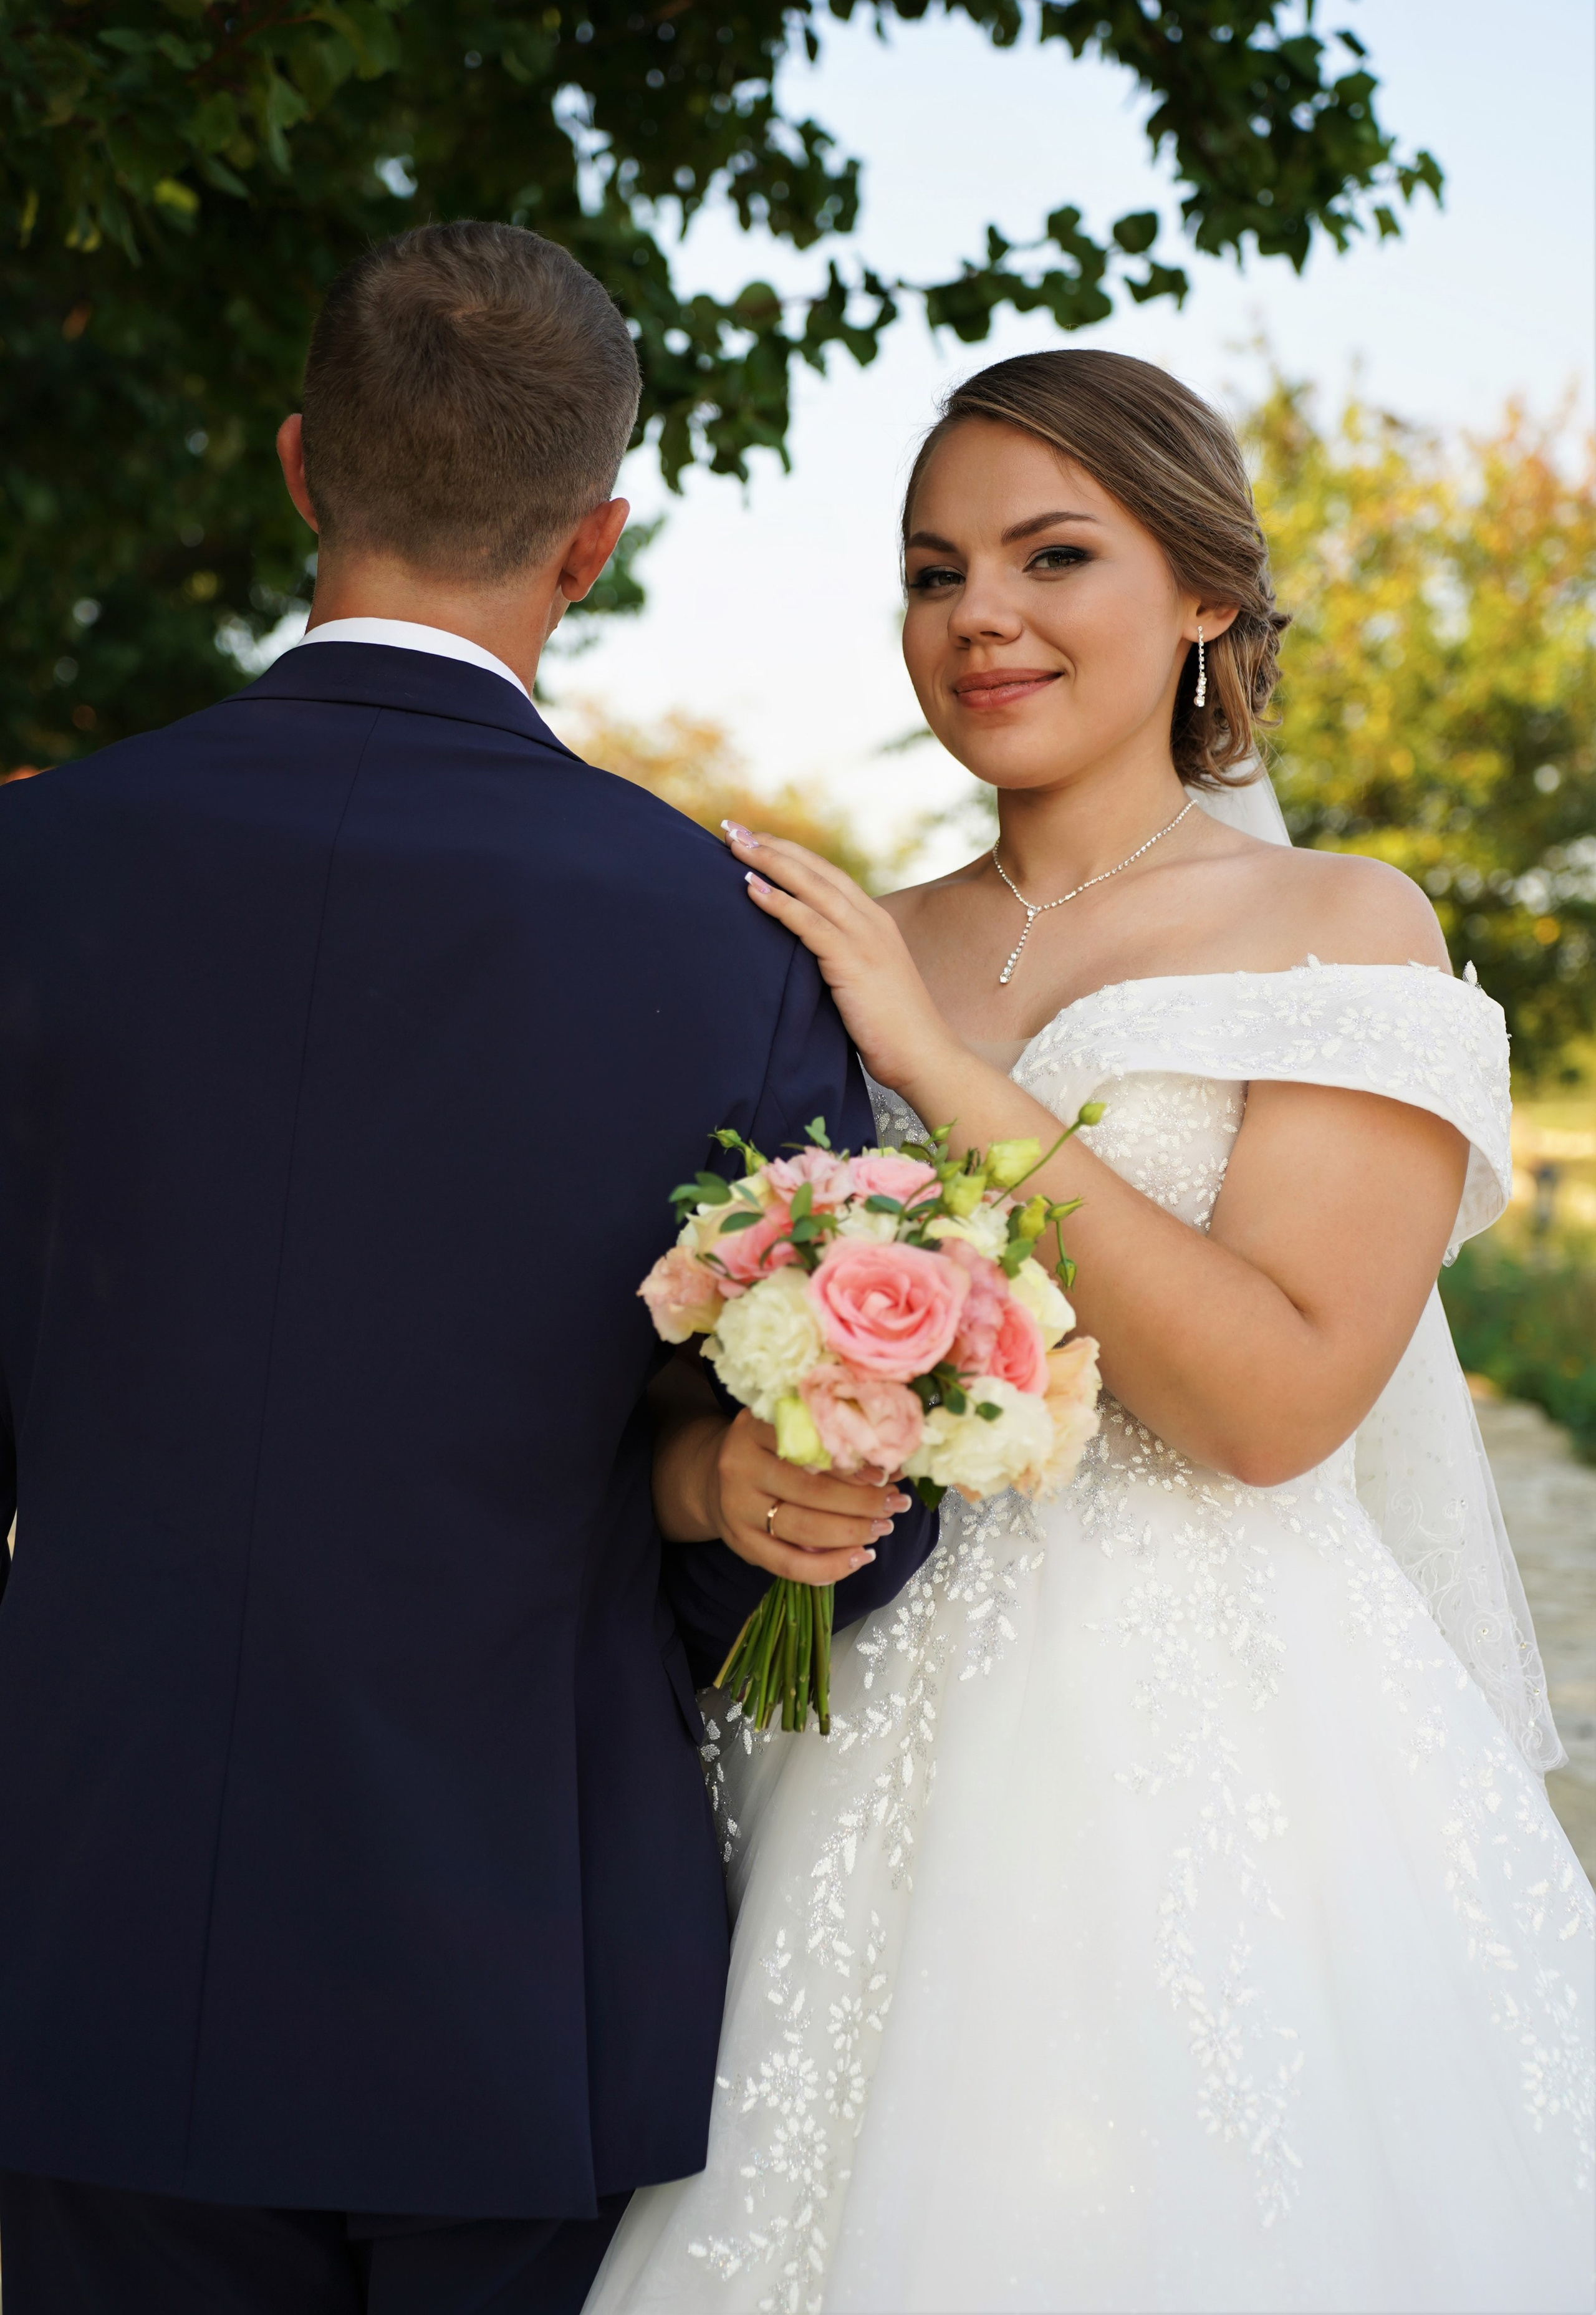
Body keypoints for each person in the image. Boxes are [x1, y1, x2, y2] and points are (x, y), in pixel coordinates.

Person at [588, 350, 1596, 2315]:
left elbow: (1279, 1398)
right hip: (834, 1717)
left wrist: (937, 1071)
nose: (981, 616)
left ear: (1206, 592)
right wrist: (726, 1458)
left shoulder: (1340, 925)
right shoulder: (836, 932)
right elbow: (652, 1335)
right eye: (931, 569)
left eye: (1057, 555)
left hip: (1225, 1741)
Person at [0, 221, 937, 2314]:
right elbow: (854, 1513)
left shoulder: (35, 869)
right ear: (594, 538)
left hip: (84, 1905)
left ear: (299, 464)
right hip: (517, 1953)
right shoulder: (729, 938)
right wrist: (696, 1504)